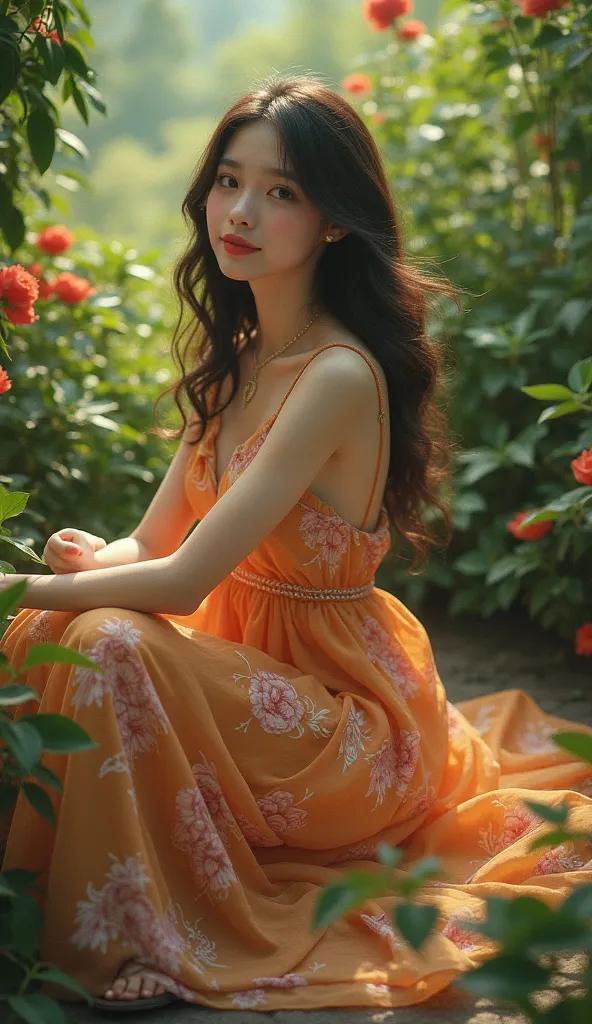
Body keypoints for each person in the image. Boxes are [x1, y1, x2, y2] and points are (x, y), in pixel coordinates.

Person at [1, 72, 591, 1015]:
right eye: (230, 181)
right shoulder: (237, 366)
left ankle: (140, 932)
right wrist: (82, 564)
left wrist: (16, 585)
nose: (241, 211)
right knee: (66, 629)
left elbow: (185, 576)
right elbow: (150, 543)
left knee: (107, 641)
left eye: (281, 192)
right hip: (248, 674)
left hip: (344, 725)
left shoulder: (337, 376)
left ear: (333, 222)